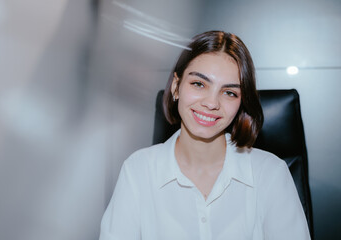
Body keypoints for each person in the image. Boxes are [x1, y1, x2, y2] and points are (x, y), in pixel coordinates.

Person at [99, 31, 311, 240]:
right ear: (176, 87)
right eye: (199, 84)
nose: (211, 103)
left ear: (241, 102)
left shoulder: (270, 173)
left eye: (229, 92)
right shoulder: (138, 171)